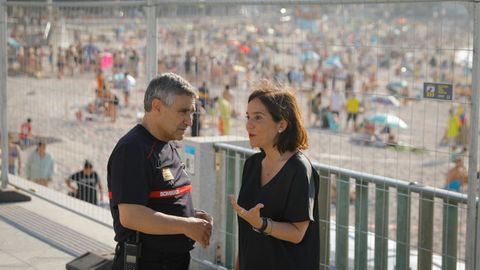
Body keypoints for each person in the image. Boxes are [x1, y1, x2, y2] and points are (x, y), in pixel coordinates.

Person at [107, 73, 213, 270]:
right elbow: (131, 215)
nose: (189, 121)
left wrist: (192, 216)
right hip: (146, 261)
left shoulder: (166, 144)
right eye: (183, 112)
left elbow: (160, 201)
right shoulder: (133, 149)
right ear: (157, 107)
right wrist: (186, 225)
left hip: (174, 260)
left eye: (191, 112)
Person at [229, 81, 320, 270]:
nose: (248, 125)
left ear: (281, 124)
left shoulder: (299, 169)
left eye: (258, 117)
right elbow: (246, 231)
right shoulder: (252, 164)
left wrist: (261, 224)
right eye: (248, 117)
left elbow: (297, 233)